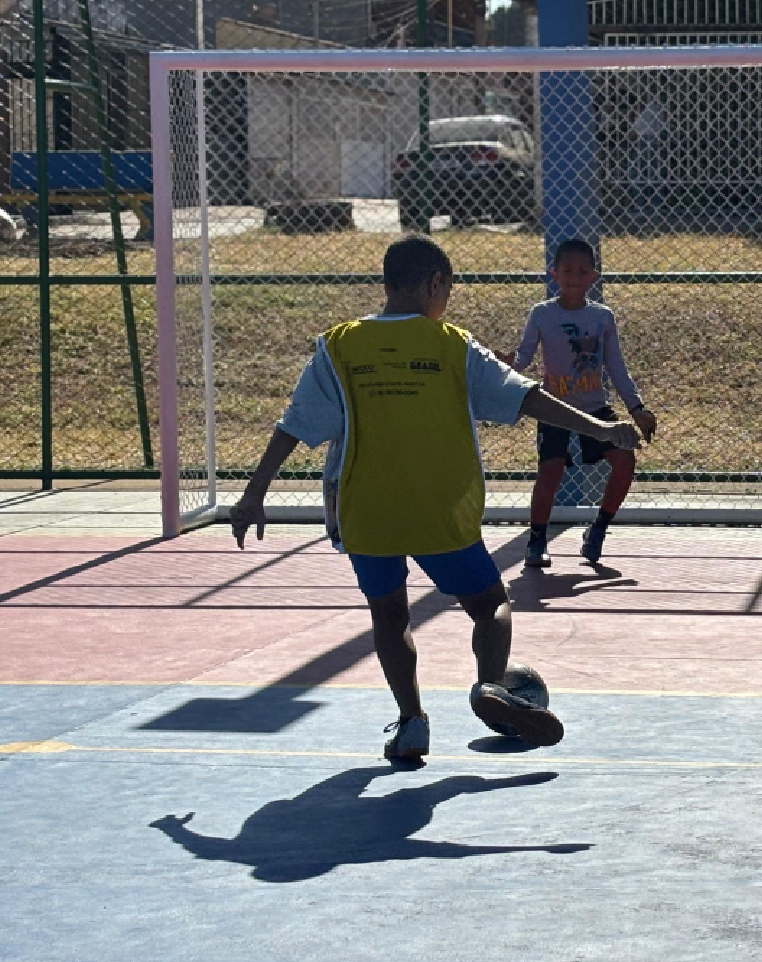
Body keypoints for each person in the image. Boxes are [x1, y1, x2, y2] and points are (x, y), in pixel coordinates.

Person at [230, 234, 641, 763]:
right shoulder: (452, 345)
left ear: (387, 284)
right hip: (439, 508)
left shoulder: (338, 347)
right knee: (490, 604)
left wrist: (253, 494)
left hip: (366, 511)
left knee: (389, 618)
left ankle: (411, 724)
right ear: (436, 283)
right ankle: (491, 684)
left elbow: (293, 425)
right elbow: (527, 397)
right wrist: (600, 429)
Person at [498, 238, 656, 568]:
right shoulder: (541, 314)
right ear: (554, 273)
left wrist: (637, 408)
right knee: (550, 473)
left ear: (593, 277)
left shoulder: (602, 317)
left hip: (596, 410)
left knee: (625, 461)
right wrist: (504, 363)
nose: (573, 276)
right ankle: (537, 539)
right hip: (554, 407)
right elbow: (524, 357)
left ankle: (598, 530)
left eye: (582, 271)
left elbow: (616, 366)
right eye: (567, 270)